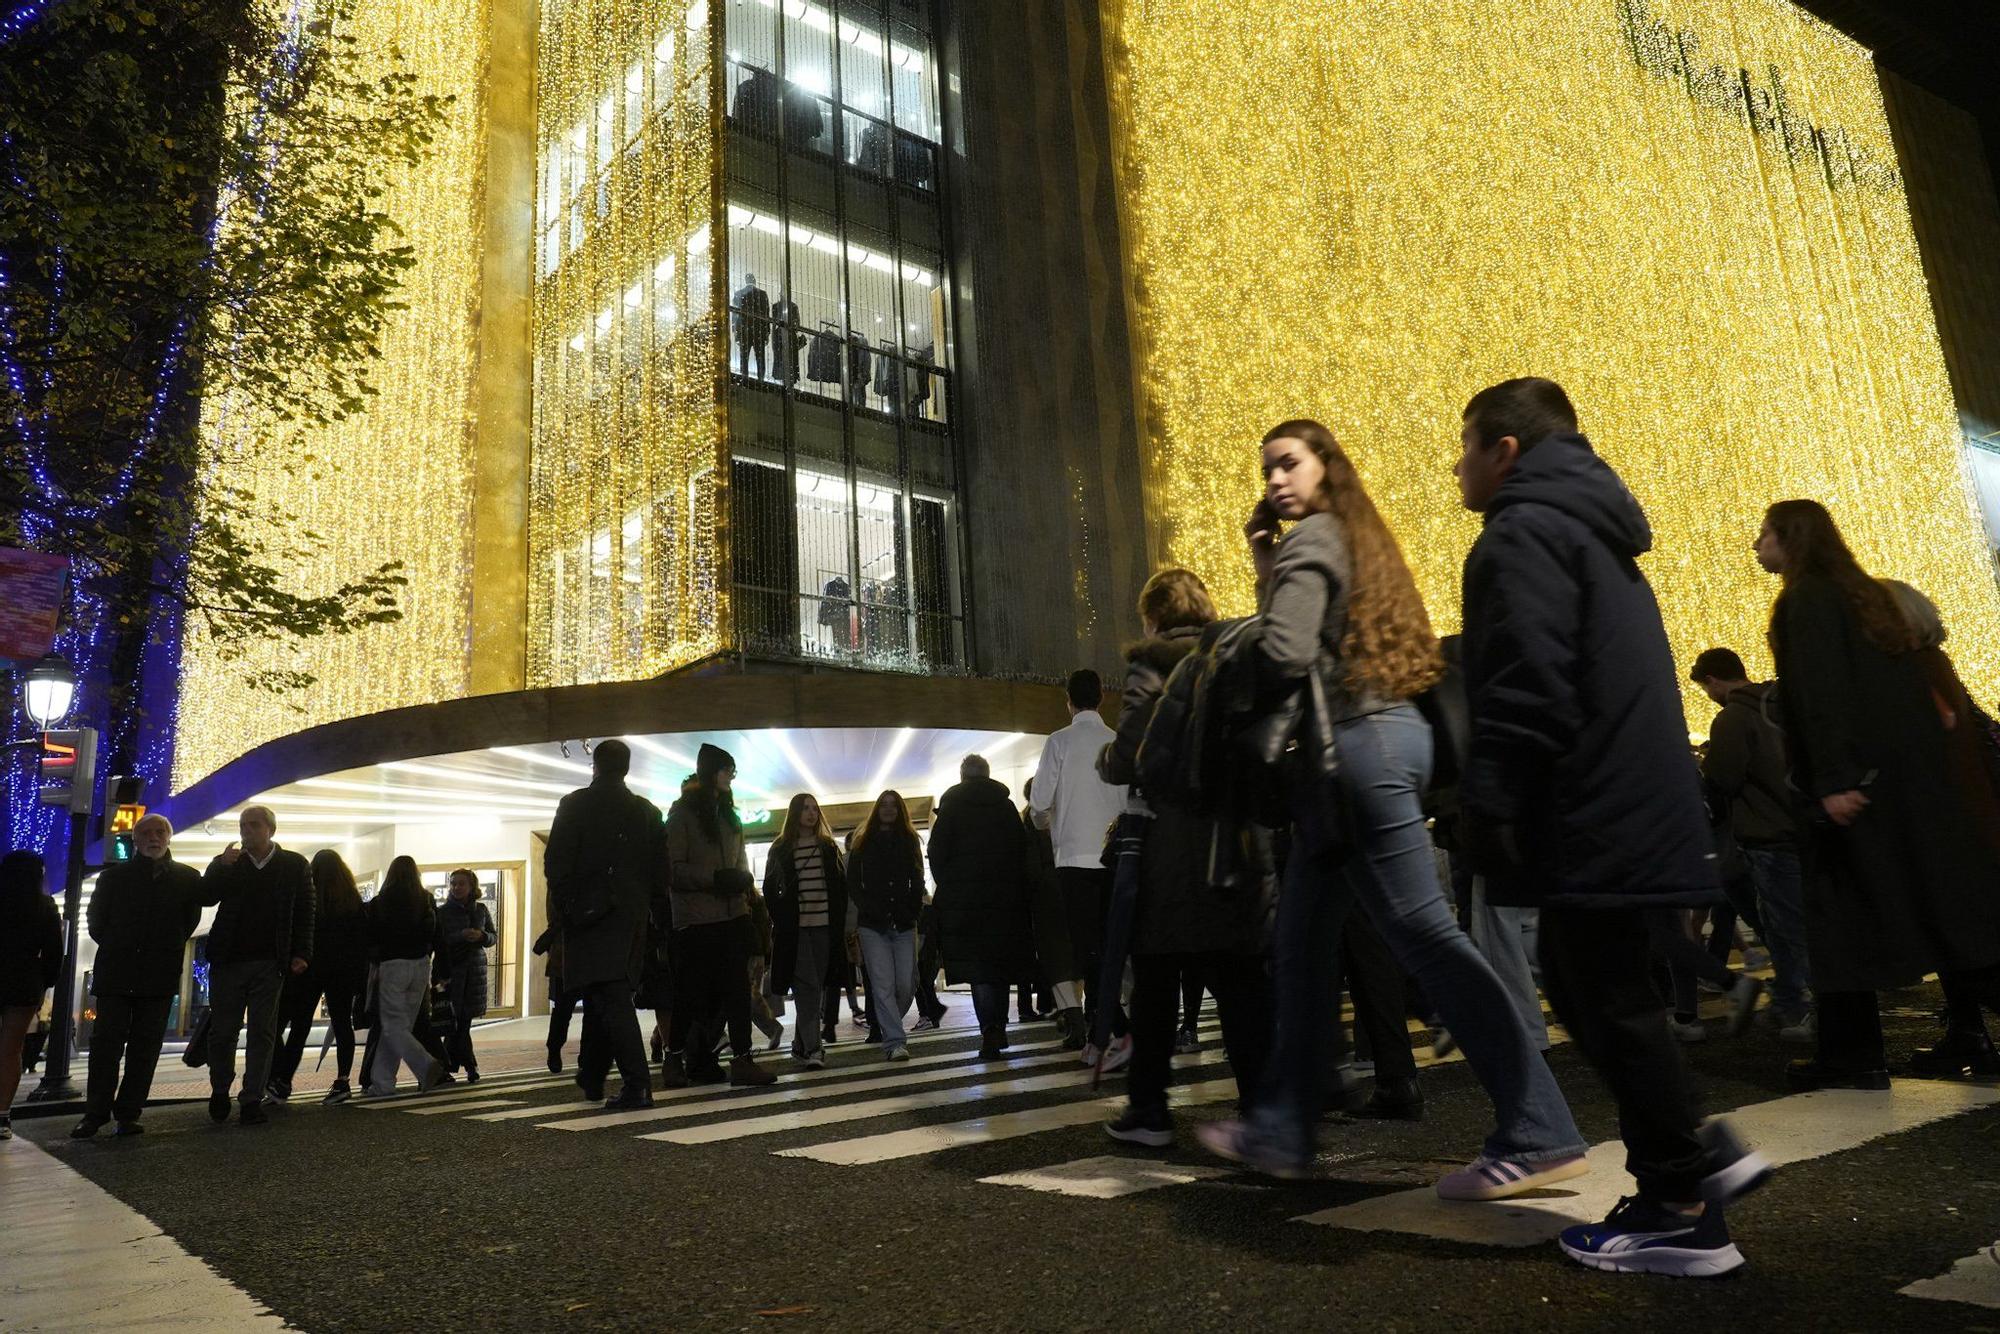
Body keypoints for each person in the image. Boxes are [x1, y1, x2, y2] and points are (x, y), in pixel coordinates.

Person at [1196, 416, 1590, 1206]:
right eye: (1267, 469)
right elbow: (1318, 634)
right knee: (1302, 946)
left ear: (1324, 466)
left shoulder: (1314, 537)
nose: (1275, 481)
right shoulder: (1355, 537)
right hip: (1382, 740)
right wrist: (1267, 564)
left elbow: (1285, 652)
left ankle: (1540, 1129)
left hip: (1354, 754)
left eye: (1288, 463)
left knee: (1426, 939)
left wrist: (1235, 641)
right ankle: (1284, 1127)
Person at [1453, 378, 1769, 1276]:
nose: (1456, 467)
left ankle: (1682, 1197)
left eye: (1465, 447)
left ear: (1505, 451)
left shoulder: (1521, 532)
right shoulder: (1592, 528)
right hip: (1635, 802)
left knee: (1598, 993)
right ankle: (1693, 1164)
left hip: (1589, 808)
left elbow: (1525, 682)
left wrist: (1490, 804)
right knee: (1610, 990)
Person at [1756, 499, 2000, 1088]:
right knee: (1939, 919)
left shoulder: (1806, 600)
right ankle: (1855, 1055)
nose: (1756, 546)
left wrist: (1833, 782)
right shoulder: (1866, 600)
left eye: (1764, 534)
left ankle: (1854, 1057)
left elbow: (1820, 695)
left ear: (1791, 538)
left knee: (1846, 924)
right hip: (1907, 796)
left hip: (1852, 797)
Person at [1098, 568, 1274, 1145]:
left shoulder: (1151, 663)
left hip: (1169, 843)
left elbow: (1130, 753)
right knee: (1240, 981)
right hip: (1235, 839)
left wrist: (1106, 760)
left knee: (1155, 980)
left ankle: (1149, 1110)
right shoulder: (1237, 656)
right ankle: (1263, 1110)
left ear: (1153, 617)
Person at [1691, 647, 1814, 1041]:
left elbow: (1723, 779)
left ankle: (1814, 1010)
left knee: (1787, 928)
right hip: (1797, 829)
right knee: (1784, 927)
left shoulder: (1732, 717)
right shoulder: (1776, 706)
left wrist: (1707, 769)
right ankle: (1789, 1003)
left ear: (1712, 680)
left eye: (1705, 688)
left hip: (1765, 835)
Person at [547, 739, 671, 1107]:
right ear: (627, 768)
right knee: (608, 993)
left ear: (595, 766)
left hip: (587, 914)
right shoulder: (646, 812)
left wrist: (565, 906)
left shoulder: (574, 805)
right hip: (631, 917)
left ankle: (637, 1083)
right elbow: (660, 872)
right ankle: (593, 1074)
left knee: (607, 995)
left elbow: (556, 863)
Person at [71, 815, 204, 1138]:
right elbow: (96, 921)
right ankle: (95, 1114)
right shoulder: (113, 878)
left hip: (158, 975)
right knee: (106, 1047)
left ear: (169, 837)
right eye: (146, 833)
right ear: (135, 839)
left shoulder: (188, 878)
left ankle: (129, 1114)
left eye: (160, 832)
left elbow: (188, 923)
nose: (153, 838)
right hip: (117, 973)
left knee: (145, 1049)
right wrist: (120, 944)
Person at [1028, 670, 1129, 1063]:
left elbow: (1039, 804)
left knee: (1087, 951)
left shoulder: (1058, 742)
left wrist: (1049, 823)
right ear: (1102, 697)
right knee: (1110, 946)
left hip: (1073, 858)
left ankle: (1118, 1031)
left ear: (1068, 701)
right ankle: (1101, 1036)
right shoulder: (1117, 741)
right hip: (1114, 859)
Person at [666, 743, 774, 1088]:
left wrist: (742, 883)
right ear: (711, 772)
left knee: (737, 992)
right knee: (691, 994)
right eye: (726, 770)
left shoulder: (730, 816)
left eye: (732, 771)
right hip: (696, 919)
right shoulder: (682, 815)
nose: (730, 777)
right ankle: (675, 1058)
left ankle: (742, 1059)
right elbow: (673, 870)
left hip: (732, 914)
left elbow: (739, 860)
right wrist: (715, 878)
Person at [199, 805, 314, 1126]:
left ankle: (252, 1097)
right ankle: (220, 1088)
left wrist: (302, 953)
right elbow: (206, 896)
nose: (246, 831)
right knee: (223, 1030)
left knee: (262, 1032)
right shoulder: (229, 862)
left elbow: (306, 910)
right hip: (228, 960)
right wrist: (221, 867)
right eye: (242, 825)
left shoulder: (294, 865)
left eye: (253, 825)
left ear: (270, 830)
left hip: (270, 961)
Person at [928, 755, 1033, 1059]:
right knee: (999, 966)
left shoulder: (951, 808)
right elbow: (1021, 850)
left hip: (966, 902)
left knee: (980, 970)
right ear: (988, 775)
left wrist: (950, 888)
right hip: (1005, 900)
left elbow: (937, 853)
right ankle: (999, 1025)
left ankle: (989, 1029)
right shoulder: (1006, 807)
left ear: (962, 777)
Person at [268, 849, 369, 1106]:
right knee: (342, 1024)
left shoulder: (309, 900)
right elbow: (360, 943)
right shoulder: (352, 902)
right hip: (342, 972)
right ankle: (342, 1081)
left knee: (299, 1026)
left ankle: (283, 1079)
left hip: (309, 970)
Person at [764, 792, 848, 1070]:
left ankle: (800, 1045)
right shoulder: (781, 848)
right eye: (805, 808)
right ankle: (814, 1048)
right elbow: (769, 889)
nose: (811, 813)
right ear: (795, 813)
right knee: (807, 986)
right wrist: (782, 919)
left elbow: (840, 888)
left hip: (825, 927)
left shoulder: (828, 847)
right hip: (796, 930)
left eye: (814, 808)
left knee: (816, 985)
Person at [848, 789, 925, 1062]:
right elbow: (853, 882)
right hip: (873, 925)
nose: (889, 809)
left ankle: (888, 1023)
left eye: (894, 805)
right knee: (882, 984)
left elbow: (918, 877)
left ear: (900, 810)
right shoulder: (863, 842)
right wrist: (867, 907)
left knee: (906, 983)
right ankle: (894, 1041)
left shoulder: (909, 840)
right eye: (884, 804)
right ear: (877, 809)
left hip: (903, 922)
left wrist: (913, 908)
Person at [362, 856, 445, 1096]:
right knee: (401, 1025)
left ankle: (425, 1064)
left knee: (392, 1025)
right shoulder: (426, 900)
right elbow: (438, 935)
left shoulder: (380, 902)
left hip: (392, 965)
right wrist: (441, 970)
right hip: (420, 964)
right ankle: (383, 1082)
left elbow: (371, 937)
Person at [0, 851, 61, 1142]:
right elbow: (53, 953)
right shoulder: (44, 906)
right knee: (11, 1049)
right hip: (23, 983)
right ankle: (2, 1116)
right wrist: (44, 984)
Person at [434, 868, 496, 1083]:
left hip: (474, 973)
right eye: (453, 884)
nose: (456, 888)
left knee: (463, 1021)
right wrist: (460, 935)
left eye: (461, 884)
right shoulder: (442, 912)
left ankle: (449, 1066)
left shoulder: (480, 910)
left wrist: (482, 936)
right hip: (452, 971)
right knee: (456, 1021)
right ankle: (468, 1065)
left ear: (471, 886)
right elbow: (439, 941)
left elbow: (493, 936)